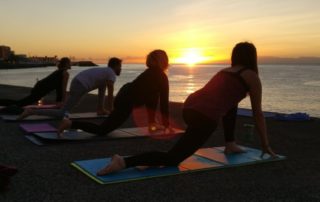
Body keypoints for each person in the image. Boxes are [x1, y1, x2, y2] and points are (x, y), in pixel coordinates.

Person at [96, 42, 277, 176]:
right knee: (173, 158)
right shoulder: (251, 76)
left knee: (228, 104)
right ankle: (123, 161)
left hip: (189, 107)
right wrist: (265, 144)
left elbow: (228, 103)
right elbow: (257, 113)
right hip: (204, 117)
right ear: (252, 57)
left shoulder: (226, 72)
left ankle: (230, 144)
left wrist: (229, 141)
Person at [58, 49, 170, 136]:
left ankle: (152, 123)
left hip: (124, 94)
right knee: (102, 130)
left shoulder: (150, 72)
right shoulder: (161, 77)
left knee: (154, 94)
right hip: (126, 101)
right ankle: (70, 123)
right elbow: (164, 103)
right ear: (163, 61)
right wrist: (167, 125)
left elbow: (153, 98)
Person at [18, 57, 122, 119]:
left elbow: (102, 91)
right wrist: (112, 110)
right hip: (80, 85)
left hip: (78, 83)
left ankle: (100, 109)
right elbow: (110, 92)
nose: (120, 68)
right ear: (115, 66)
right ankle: (31, 111)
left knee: (100, 87)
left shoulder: (105, 72)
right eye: (120, 66)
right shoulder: (111, 73)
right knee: (62, 113)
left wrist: (102, 109)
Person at [0, 57, 71, 114]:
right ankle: (3, 105)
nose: (70, 64)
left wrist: (59, 102)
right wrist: (63, 103)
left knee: (22, 102)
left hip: (40, 86)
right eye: (69, 62)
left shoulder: (59, 71)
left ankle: (3, 103)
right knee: (21, 103)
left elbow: (59, 88)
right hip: (41, 89)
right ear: (66, 64)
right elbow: (63, 89)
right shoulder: (65, 73)